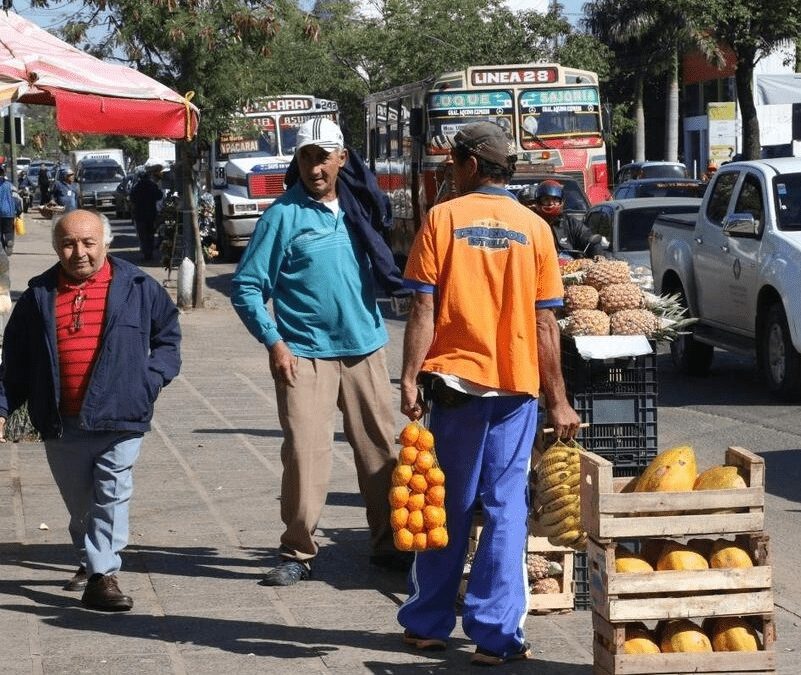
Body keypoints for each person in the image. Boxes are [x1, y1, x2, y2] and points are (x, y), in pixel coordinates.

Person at [397, 122, 581, 666]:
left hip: (454, 384)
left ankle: (428, 623)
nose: (450, 172)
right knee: (504, 509)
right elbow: (546, 324)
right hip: (515, 389)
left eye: (454, 162)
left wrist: (409, 377)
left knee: (446, 503)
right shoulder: (534, 228)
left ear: (472, 165)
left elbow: (423, 308)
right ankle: (495, 636)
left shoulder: (442, 218)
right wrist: (559, 400)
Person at [230, 117, 404, 587]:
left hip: (365, 347)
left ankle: (388, 544)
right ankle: (298, 551)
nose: (315, 166)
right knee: (305, 455)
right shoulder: (282, 215)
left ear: (342, 159)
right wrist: (274, 341)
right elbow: (246, 287)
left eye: (324, 156)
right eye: (307, 156)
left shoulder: (361, 210)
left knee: (380, 454)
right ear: (298, 161)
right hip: (303, 354)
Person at [0, 209, 181, 611]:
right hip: (61, 421)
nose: (78, 252)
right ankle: (90, 560)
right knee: (81, 504)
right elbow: (16, 360)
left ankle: (103, 577)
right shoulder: (38, 295)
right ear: (55, 247)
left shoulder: (137, 286)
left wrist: (149, 380)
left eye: (87, 242)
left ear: (105, 244)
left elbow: (168, 338)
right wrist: (2, 406)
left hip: (121, 415)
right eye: (68, 243)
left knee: (111, 495)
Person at [519, 179, 605, 258]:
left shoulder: (571, 224)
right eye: (546, 199)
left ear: (561, 201)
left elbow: (589, 239)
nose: (551, 203)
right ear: (538, 202)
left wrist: (597, 255)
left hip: (569, 271)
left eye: (555, 200)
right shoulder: (529, 224)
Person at [129, 162, 164, 261]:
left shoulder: (137, 187)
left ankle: (146, 253)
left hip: (140, 215)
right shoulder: (152, 186)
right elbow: (159, 196)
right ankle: (149, 253)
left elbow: (132, 199)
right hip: (151, 215)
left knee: (143, 235)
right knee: (150, 235)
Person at [0, 167, 21, 255]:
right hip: (9, 213)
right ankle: (9, 241)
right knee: (8, 231)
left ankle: (1, 247)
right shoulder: (11, 186)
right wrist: (19, 211)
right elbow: (17, 200)